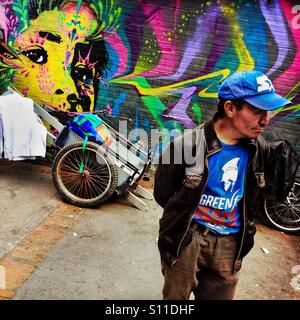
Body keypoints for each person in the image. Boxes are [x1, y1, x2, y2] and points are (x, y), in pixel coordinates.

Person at [153, 71, 300, 300]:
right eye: (257, 111)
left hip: (231, 245)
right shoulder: (186, 146)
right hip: (187, 241)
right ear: (230, 109)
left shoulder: (258, 149)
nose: (265, 120)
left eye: (267, 112)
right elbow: (164, 194)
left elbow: (258, 196)